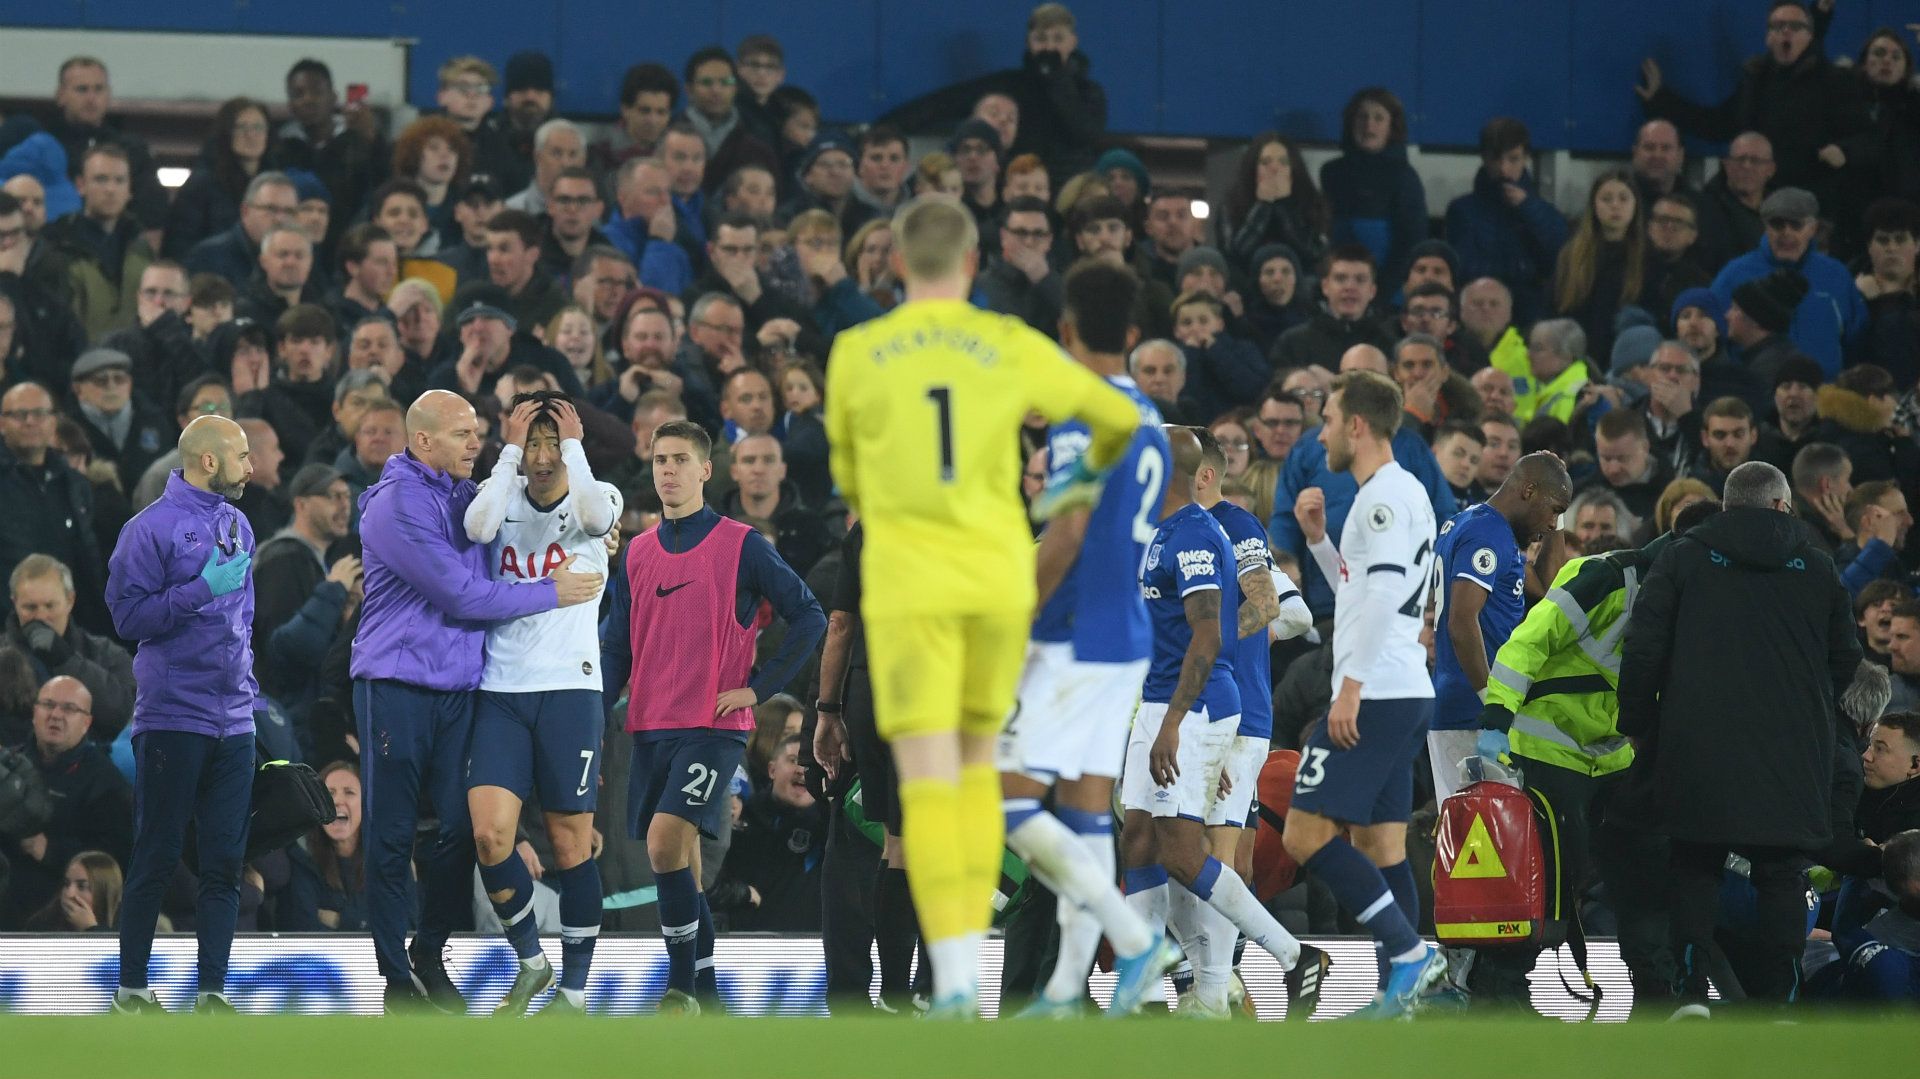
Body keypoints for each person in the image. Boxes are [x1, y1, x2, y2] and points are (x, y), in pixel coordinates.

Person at [823, 195, 1141, 1016]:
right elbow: (1114, 416)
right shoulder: (1007, 340)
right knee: (977, 776)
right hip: (997, 581)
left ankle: (957, 978)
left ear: (897, 263)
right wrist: (1066, 491)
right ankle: (972, 975)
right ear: (972, 263)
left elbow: (850, 478)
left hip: (909, 589)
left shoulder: (857, 351)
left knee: (929, 786)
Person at [351, 389, 604, 1013]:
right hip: (397, 685)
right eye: (463, 433)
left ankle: (428, 953)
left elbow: (513, 532)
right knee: (391, 834)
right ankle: (395, 977)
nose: (478, 442)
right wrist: (553, 592)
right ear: (423, 441)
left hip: (463, 688)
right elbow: (463, 595)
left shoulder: (464, 495)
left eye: (477, 432)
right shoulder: (397, 504)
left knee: (462, 831)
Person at [988, 261, 1187, 1016]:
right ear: (1132, 334)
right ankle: (1067, 990)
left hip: (1071, 638)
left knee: (1009, 804)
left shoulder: (1084, 417)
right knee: (1083, 810)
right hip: (1126, 638)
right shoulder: (1150, 420)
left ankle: (1133, 941)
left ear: (1065, 330)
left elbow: (1068, 532)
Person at [1619, 460, 1861, 1014]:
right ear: (1780, 505)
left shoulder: (1683, 557)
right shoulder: (1818, 566)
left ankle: (1690, 997)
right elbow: (1846, 656)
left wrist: (1639, 725)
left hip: (1696, 744)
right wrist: (1806, 710)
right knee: (1782, 872)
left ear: (1726, 506)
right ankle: (1780, 1004)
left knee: (1694, 865)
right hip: (1793, 751)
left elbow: (1643, 648)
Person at [598, 419, 823, 1014]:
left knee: (663, 844)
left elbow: (809, 616)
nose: (668, 470)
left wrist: (758, 689)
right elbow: (615, 648)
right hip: (649, 727)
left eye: (680, 460)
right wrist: (595, 719)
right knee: (684, 864)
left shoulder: (742, 544)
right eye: (659, 460)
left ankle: (679, 989)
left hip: (712, 729)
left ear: (705, 470)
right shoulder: (638, 553)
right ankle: (708, 990)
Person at [1475, 497, 1726, 1007]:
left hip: (1615, 757)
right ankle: (1502, 991)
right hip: (1549, 749)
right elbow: (1527, 644)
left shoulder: (1693, 596)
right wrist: (1497, 719)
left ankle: (1655, 995)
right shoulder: (1605, 577)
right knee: (1548, 878)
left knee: (1645, 876)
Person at [1281, 370, 1445, 1018]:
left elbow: (1383, 594)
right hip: (1402, 688)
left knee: (1303, 834)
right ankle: (1393, 998)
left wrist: (1348, 688)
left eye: (1327, 420)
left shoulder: (1382, 499)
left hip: (1374, 692)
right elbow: (1364, 588)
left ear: (1356, 424)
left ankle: (1408, 953)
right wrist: (1319, 542)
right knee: (1381, 847)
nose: (1320, 434)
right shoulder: (1404, 492)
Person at [461, 394, 618, 1015]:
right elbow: (478, 529)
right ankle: (531, 960)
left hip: (570, 691)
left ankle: (573, 993)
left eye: (554, 442)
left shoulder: (598, 494)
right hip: (500, 689)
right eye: (534, 442)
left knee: (570, 845)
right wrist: (506, 455)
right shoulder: (498, 497)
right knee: (489, 836)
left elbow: (597, 520)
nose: (545, 455)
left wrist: (576, 448)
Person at [104, 416, 260, 1014]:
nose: (251, 467)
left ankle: (212, 993)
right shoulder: (148, 530)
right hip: (173, 715)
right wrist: (200, 589)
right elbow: (127, 619)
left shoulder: (239, 525)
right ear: (209, 461)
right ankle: (131, 990)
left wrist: (248, 687)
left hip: (235, 720)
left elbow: (244, 618)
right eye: (242, 456)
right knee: (158, 854)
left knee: (226, 862)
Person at [1428, 454, 1572, 801]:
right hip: (1470, 710)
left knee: (1475, 826)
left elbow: (1549, 586)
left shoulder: (1485, 526)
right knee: (1478, 829)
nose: (1552, 522)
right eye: (1553, 509)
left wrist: (1559, 519)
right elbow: (1462, 622)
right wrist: (1493, 705)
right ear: (1529, 491)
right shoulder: (1486, 533)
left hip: (1465, 705)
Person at [1636, 1, 1866, 209]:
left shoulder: (1835, 82)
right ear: (1768, 37)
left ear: (1810, 36)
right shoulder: (1755, 80)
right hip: (1751, 201)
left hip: (1807, 204)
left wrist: (1845, 151)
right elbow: (1719, 124)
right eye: (1778, 26)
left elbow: (1868, 137)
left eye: (1795, 26)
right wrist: (1661, 100)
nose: (1786, 31)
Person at [0, 675, 132, 929]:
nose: (56, 715)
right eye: (48, 705)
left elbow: (116, 859)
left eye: (69, 708)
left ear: (86, 722)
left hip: (60, 915)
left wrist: (48, 849)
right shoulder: (8, 765)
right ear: (34, 712)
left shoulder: (106, 782)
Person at [1711, 188, 1866, 377]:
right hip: (1757, 388)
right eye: (1777, 224)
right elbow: (1714, 335)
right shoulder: (1734, 274)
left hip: (1824, 389)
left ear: (1813, 229)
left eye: (1796, 225)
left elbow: (1856, 337)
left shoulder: (1836, 275)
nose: (1786, 232)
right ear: (1765, 227)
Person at [1446, 117, 1568, 328]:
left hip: (1527, 315)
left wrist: (1528, 208)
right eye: (1496, 159)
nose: (1504, 169)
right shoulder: (1462, 211)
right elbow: (1461, 267)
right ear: (1484, 158)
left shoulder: (1542, 211)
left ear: (1526, 158)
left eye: (1513, 159)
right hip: (1478, 312)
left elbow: (1559, 258)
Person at [3, 554, 133, 742]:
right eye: (30, 607)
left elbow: (124, 715)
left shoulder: (106, 653)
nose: (41, 616)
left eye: (50, 606)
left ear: (70, 600)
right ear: (14, 602)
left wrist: (65, 659)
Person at [1321, 88, 1426, 291]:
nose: (1369, 125)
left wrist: (1380, 290)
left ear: (1392, 127)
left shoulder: (1405, 177)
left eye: (1379, 118)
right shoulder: (1331, 173)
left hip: (1385, 288)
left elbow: (1411, 243)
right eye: (1362, 117)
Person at [1550, 170, 1646, 364]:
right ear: (1594, 205)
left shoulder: (1647, 257)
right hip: (1576, 356)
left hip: (1626, 360)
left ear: (1635, 205)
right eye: (1606, 199)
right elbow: (1556, 306)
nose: (1615, 205)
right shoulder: (1572, 255)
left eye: (1623, 199)